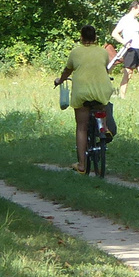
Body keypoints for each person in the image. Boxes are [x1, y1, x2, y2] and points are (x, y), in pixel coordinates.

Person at [55, 25, 115, 173]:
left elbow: (67, 70)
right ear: (95, 38)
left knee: (81, 127)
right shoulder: (102, 52)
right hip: (102, 90)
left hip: (81, 93)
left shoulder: (75, 52)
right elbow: (104, 69)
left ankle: (82, 165)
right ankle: (104, 127)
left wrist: (60, 81)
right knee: (101, 105)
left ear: (81, 37)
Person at [110, 1, 139, 99]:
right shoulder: (125, 19)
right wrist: (124, 42)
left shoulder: (135, 21)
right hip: (129, 50)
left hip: (137, 49)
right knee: (128, 73)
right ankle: (122, 96)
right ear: (133, 9)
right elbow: (114, 33)